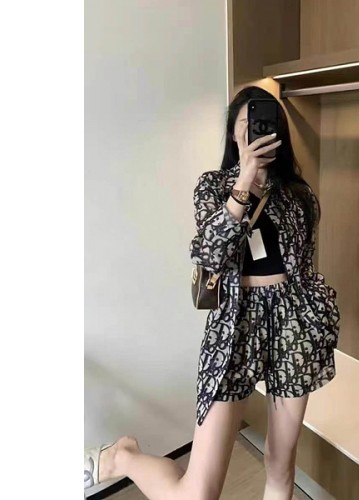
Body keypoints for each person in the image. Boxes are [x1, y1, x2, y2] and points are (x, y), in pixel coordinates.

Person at [84, 86, 340, 500]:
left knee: (281, 462)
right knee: (197, 493)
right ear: (234, 134)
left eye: (264, 124)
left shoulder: (298, 194)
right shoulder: (213, 186)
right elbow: (209, 254)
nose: (255, 132)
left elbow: (304, 266)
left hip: (292, 323)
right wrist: (244, 183)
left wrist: (318, 316)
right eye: (246, 125)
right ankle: (123, 458)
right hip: (235, 323)